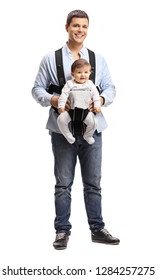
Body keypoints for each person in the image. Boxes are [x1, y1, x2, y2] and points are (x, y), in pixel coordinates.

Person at [32, 9, 120, 250]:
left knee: (93, 183)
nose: (80, 30)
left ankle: (97, 228)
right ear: (67, 27)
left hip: (93, 129)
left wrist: (101, 99)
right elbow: (37, 89)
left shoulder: (96, 58)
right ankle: (62, 231)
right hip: (63, 132)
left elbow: (111, 87)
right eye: (76, 25)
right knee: (63, 184)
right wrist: (53, 100)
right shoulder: (51, 59)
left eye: (84, 26)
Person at [57, 58, 101, 145]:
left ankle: (88, 136)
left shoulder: (90, 84)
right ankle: (68, 136)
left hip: (86, 111)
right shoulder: (69, 84)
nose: (82, 75)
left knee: (94, 122)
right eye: (79, 72)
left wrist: (97, 105)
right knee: (60, 120)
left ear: (90, 73)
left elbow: (96, 95)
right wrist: (61, 106)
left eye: (86, 72)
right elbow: (63, 95)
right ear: (72, 74)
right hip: (71, 111)